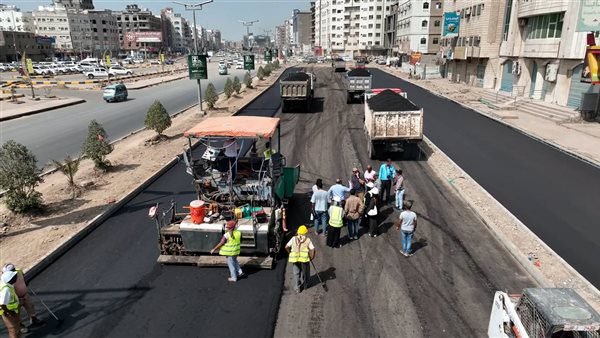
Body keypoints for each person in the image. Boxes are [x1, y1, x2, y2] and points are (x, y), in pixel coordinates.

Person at [285, 225, 315, 293]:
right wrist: (312, 257)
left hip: (295, 259)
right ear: (305, 233)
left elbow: (286, 247)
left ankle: (297, 288)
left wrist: (290, 253)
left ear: (298, 232)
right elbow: (313, 249)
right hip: (304, 260)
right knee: (305, 273)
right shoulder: (307, 240)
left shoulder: (293, 239)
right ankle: (306, 285)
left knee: (296, 273)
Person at [0, 270, 21, 338]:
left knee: (17, 327)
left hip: (13, 311)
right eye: (14, 276)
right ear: (10, 279)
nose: (16, 277)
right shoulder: (6, 289)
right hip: (8, 312)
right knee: (13, 329)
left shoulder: (8, 285)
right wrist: (9, 312)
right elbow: (2, 304)